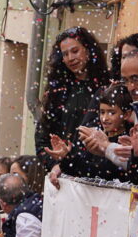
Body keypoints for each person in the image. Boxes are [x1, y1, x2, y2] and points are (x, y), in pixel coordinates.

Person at [48, 84, 138, 185]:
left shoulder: (128, 141)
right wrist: (65, 157)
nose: (104, 118)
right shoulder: (95, 137)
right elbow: (82, 172)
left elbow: (105, 173)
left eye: (111, 113)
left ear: (126, 114)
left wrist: (68, 159)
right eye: (102, 112)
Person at [35, 27, 110, 165]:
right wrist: (56, 164)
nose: (70, 58)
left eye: (75, 51)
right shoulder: (57, 91)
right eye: (65, 54)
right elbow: (42, 137)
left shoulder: (107, 86)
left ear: (88, 50)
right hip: (62, 176)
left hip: (98, 169)